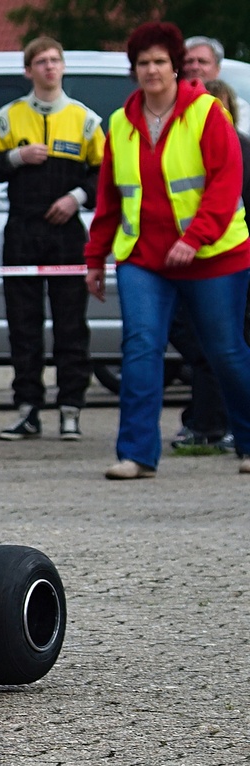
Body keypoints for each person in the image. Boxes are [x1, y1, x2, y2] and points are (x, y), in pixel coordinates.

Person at [84, 21, 250, 479]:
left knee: (226, 351)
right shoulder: (119, 123)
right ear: (133, 69)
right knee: (140, 347)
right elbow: (110, 197)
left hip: (215, 255)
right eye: (143, 62)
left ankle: (249, 441)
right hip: (144, 257)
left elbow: (225, 183)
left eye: (160, 61)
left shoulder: (208, 113)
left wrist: (194, 238)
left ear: (176, 65)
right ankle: (136, 455)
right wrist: (95, 257)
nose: (152, 69)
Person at [0, 37, 106, 442]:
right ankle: (28, 410)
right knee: (24, 326)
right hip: (21, 232)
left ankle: (71, 410)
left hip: (67, 235)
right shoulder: (7, 118)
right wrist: (17, 157)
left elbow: (104, 174)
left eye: (55, 61)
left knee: (71, 325)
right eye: (41, 62)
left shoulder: (86, 120)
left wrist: (77, 197)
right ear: (28, 70)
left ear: (63, 67)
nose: (49, 67)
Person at [168, 78, 250, 450]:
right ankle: (207, 421)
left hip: (229, 257)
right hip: (189, 257)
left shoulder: (242, 148)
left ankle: (227, 425)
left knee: (227, 346)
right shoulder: (182, 147)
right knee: (205, 344)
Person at [182, 36, 250, 136]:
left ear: (217, 69)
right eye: (189, 61)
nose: (195, 67)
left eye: (202, 61)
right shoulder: (168, 103)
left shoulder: (238, 107)